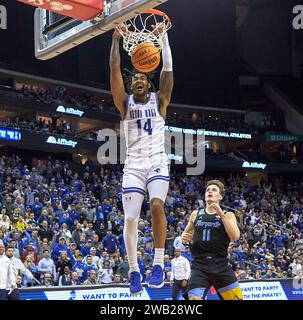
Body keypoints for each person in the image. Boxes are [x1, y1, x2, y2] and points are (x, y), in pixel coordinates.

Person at [110, 23, 173, 295]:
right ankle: (134, 269)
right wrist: (115, 39)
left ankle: (158, 263)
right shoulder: (125, 103)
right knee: (131, 220)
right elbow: (114, 69)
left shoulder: (160, 101)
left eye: (143, 77)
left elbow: (168, 71)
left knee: (157, 206)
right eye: (134, 77)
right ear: (130, 83)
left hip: (157, 159)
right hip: (133, 164)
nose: (138, 80)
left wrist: (164, 37)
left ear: (149, 83)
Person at [181, 180, 243, 300]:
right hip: (199, 265)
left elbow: (235, 237)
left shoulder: (228, 214)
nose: (210, 191)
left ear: (220, 197)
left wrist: (221, 214)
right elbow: (184, 234)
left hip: (220, 264)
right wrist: (184, 237)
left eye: (214, 190)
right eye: (208, 190)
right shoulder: (196, 214)